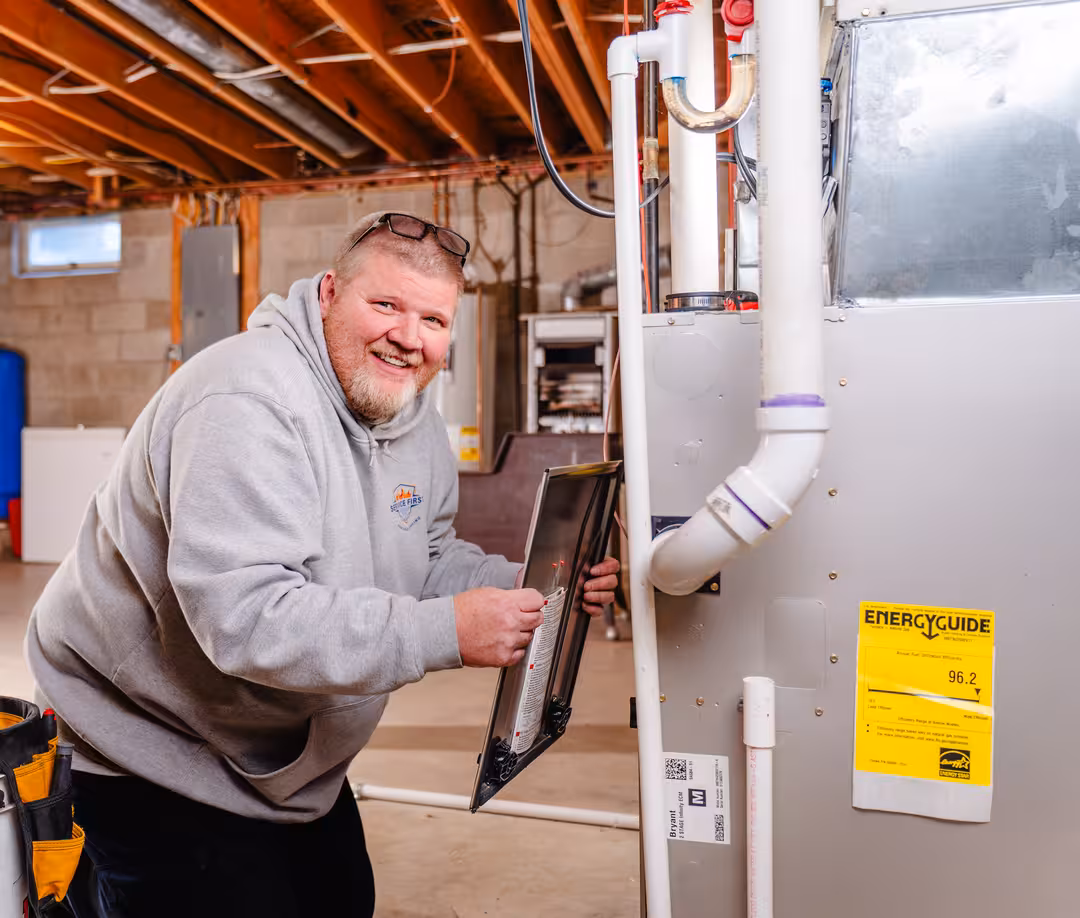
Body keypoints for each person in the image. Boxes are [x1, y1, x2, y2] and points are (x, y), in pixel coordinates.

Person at [24, 211, 620, 918]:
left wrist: (526, 587)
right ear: (330, 292)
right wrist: (447, 631)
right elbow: (247, 620)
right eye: (386, 305)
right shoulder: (245, 400)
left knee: (341, 898)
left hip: (281, 758)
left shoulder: (414, 419)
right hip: (150, 745)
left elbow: (423, 558)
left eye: (433, 319)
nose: (409, 337)